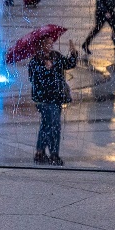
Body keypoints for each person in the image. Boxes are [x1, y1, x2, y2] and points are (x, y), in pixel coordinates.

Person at [28, 33, 78, 166]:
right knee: (54, 126)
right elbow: (33, 80)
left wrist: (73, 53)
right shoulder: (35, 61)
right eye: (48, 43)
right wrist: (46, 69)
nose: (51, 45)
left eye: (51, 43)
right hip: (44, 100)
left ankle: (40, 152)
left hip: (56, 97)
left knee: (46, 125)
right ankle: (54, 154)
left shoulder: (55, 55)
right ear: (41, 45)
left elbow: (68, 64)